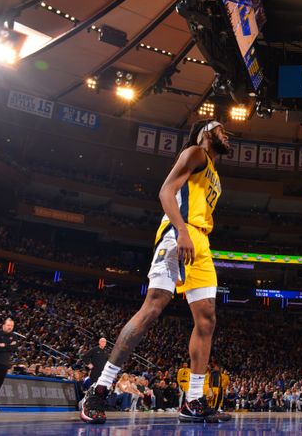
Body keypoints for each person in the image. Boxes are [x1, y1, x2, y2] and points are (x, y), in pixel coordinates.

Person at [80, 119, 231, 424]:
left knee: (207, 318)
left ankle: (193, 401)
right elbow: (165, 192)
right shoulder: (195, 153)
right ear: (205, 134)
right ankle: (99, 390)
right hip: (180, 234)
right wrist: (182, 231)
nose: (226, 134)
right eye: (220, 128)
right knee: (153, 308)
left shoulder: (213, 170)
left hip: (201, 240)